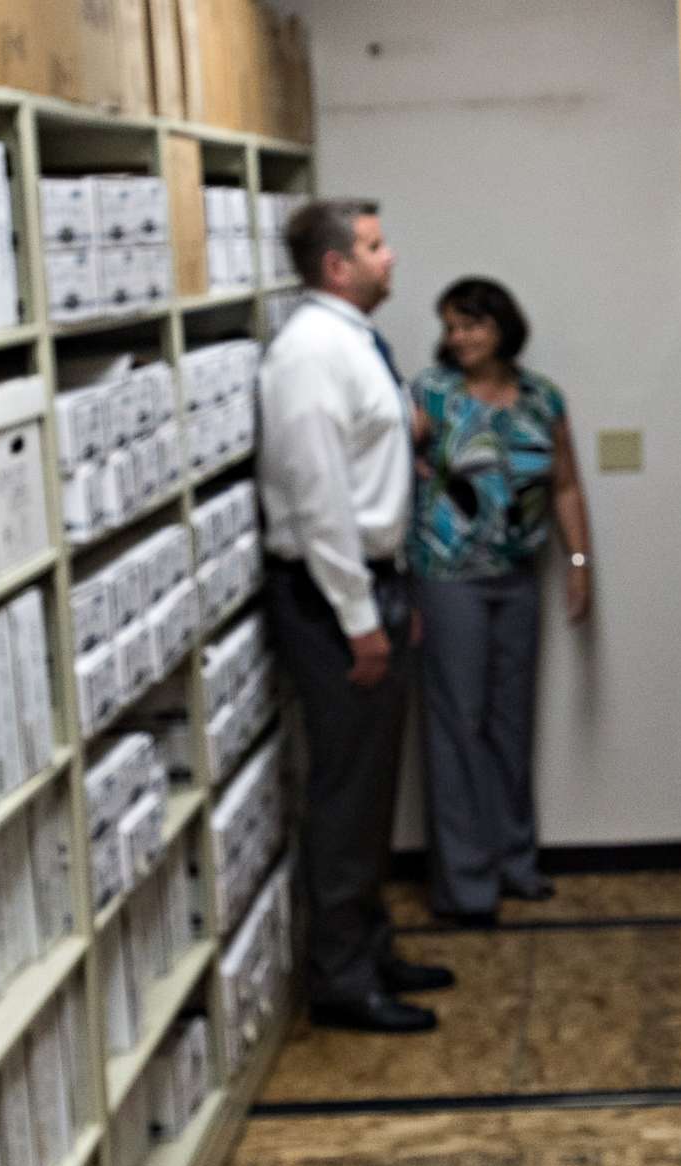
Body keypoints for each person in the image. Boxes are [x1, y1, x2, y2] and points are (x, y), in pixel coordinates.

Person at [256, 198, 454, 1034]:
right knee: (346, 793)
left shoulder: (352, 344)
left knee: (372, 789)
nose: (391, 256)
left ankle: (370, 948)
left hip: (378, 581)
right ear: (337, 266)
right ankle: (341, 979)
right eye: (375, 246)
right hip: (336, 595)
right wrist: (359, 617)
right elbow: (318, 498)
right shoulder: (308, 355)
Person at [406, 277, 595, 924]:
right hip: (448, 576)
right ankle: (466, 885)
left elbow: (566, 485)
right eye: (452, 327)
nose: (459, 339)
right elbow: (385, 468)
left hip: (519, 576)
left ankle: (517, 863)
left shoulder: (543, 399)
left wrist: (578, 563)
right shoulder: (432, 394)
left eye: (471, 325)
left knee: (513, 723)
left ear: (501, 327)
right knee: (459, 725)